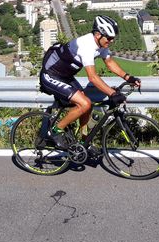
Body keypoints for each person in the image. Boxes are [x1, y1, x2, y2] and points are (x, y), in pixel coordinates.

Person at [38, 15, 141, 147]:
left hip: (65, 76)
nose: (112, 41)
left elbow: (109, 62)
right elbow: (92, 77)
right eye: (109, 38)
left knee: (88, 105)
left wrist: (128, 77)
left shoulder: (101, 44)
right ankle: (54, 132)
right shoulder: (87, 46)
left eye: (113, 38)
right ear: (98, 35)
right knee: (85, 104)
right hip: (51, 75)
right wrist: (113, 94)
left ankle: (83, 141)